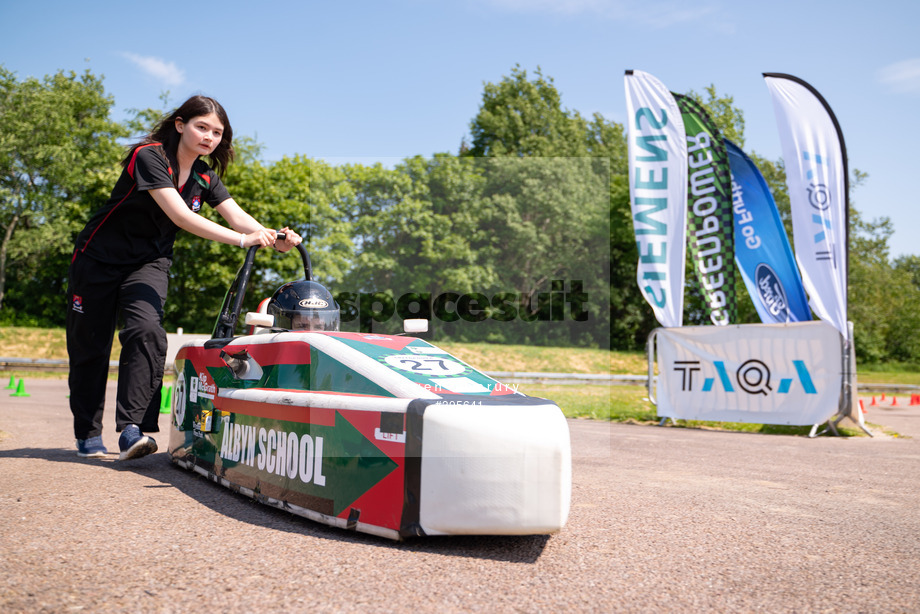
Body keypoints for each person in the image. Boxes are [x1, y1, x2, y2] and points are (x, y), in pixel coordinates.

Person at [67, 95, 301, 461]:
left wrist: (276, 238)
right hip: (97, 261)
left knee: (146, 331)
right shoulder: (148, 156)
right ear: (180, 125)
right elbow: (181, 217)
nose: (209, 137)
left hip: (148, 263)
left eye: (217, 132)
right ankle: (87, 434)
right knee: (90, 351)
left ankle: (132, 430)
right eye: (201, 127)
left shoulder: (206, 176)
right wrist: (244, 240)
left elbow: (241, 220)